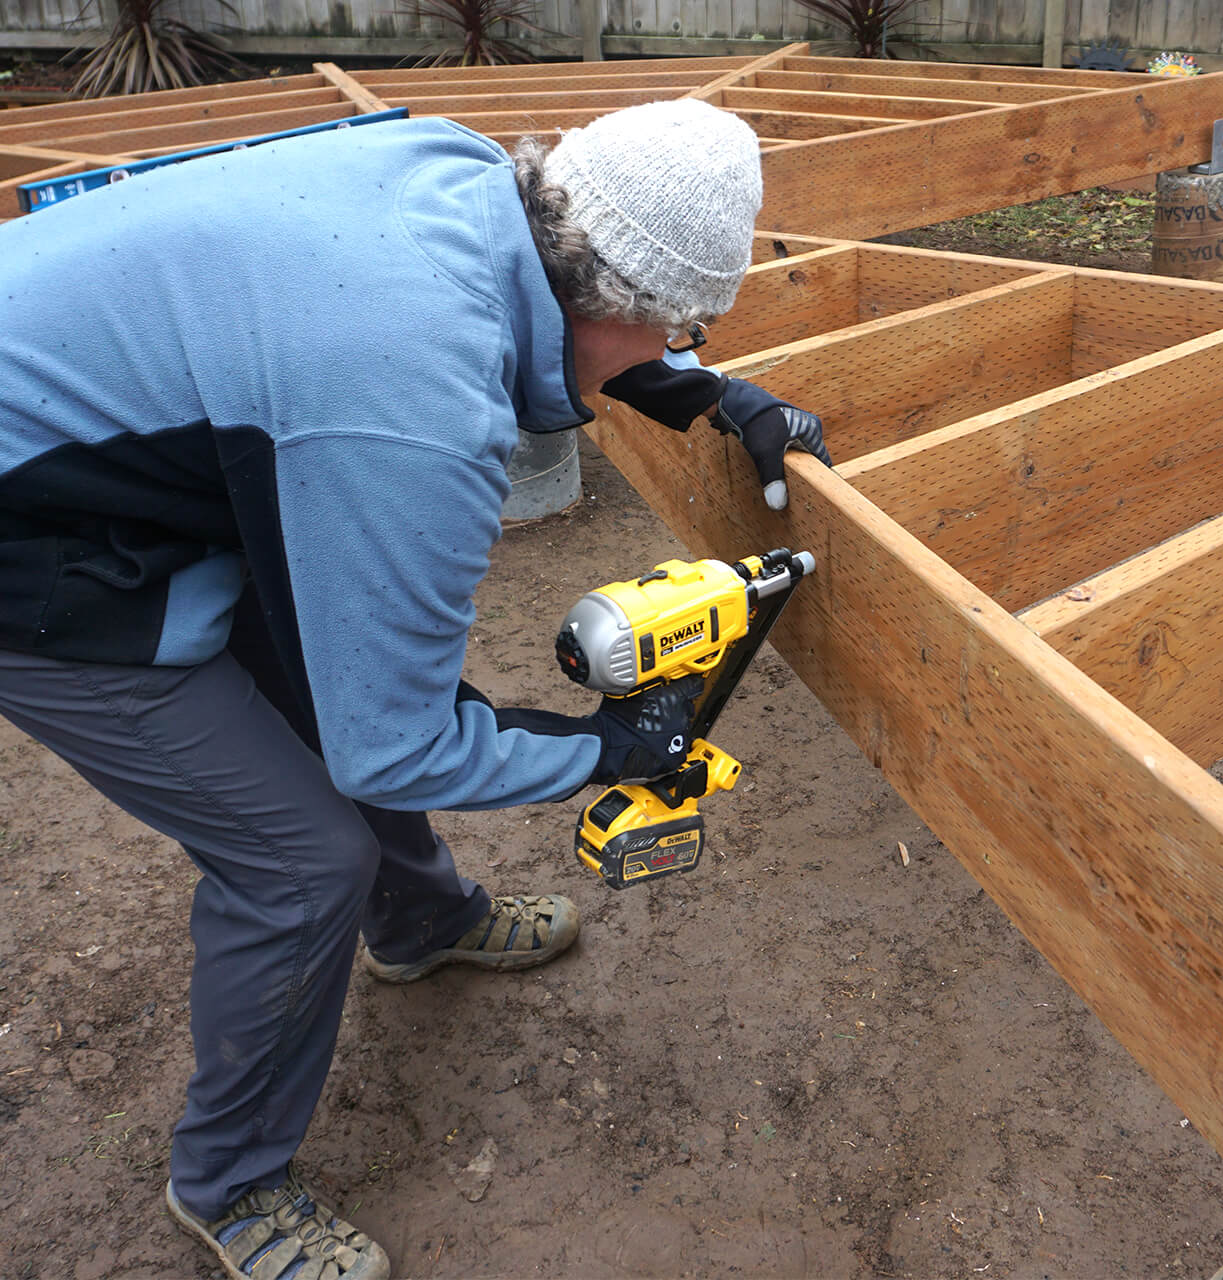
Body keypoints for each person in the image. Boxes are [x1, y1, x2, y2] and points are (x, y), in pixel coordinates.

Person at [0, 99, 828, 1280]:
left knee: (323, 672)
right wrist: (612, 749)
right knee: (299, 857)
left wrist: (709, 392)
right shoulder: (414, 407)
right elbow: (390, 747)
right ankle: (227, 1180)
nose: (674, 346)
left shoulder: (460, 168)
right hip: (34, 537)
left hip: (95, 419)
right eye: (678, 327)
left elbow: (580, 301)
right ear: (620, 297)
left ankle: (424, 922)